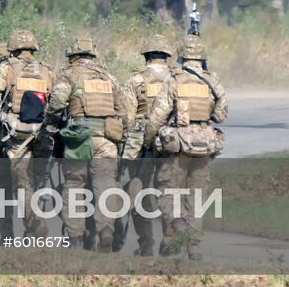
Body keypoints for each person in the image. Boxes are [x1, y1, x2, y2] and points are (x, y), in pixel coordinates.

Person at [146, 34, 228, 258]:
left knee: (167, 194)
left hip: (178, 147)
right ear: (202, 56)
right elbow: (221, 115)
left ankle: (179, 228)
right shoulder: (212, 81)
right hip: (204, 147)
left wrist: (148, 142)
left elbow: (157, 117)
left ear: (181, 54)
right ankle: (194, 248)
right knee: (196, 200)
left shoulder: (174, 80)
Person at [44, 36, 128, 251]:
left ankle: (75, 239)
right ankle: (106, 232)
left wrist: (51, 127)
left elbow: (57, 102)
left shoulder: (69, 75)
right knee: (105, 189)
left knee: (74, 187)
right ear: (93, 56)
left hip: (78, 140)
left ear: (73, 56)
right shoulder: (110, 78)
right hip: (107, 141)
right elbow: (124, 111)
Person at [0, 29, 55, 240]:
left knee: (23, 185)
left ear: (13, 49)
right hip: (42, 135)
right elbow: (58, 104)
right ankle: (35, 231)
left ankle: (34, 228)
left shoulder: (6, 69)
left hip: (16, 137)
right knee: (39, 181)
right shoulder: (48, 71)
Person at [120, 33, 177, 256]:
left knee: (137, 191)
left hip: (142, 144)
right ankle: (169, 237)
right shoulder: (177, 78)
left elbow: (127, 117)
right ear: (166, 56)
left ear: (146, 55)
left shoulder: (136, 80)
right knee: (167, 192)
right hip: (170, 142)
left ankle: (146, 244)